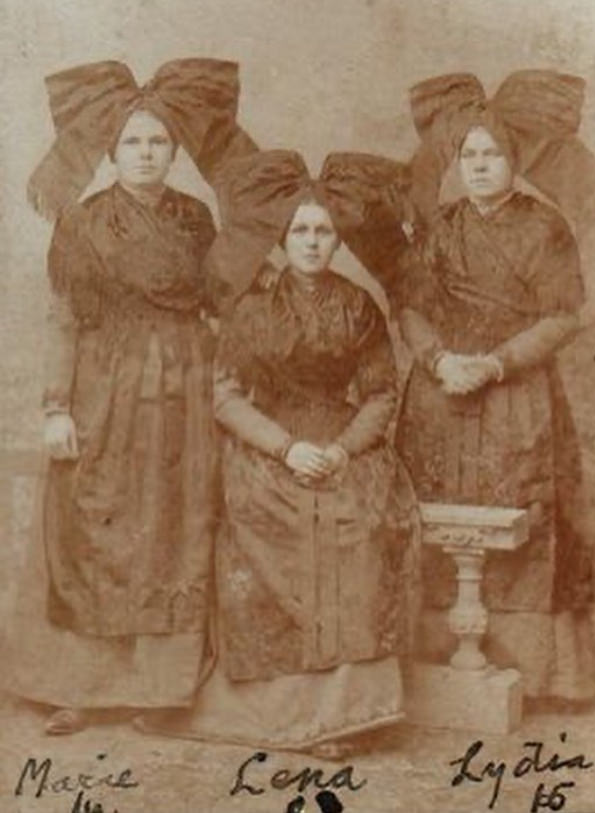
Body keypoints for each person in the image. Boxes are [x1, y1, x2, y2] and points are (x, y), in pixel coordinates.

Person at [3, 58, 255, 734]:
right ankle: (78, 688)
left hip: (183, 387)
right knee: (94, 526)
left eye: (159, 143)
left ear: (176, 151)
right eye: (133, 143)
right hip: (105, 386)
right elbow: (65, 318)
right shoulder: (83, 222)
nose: (147, 154)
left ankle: (160, 688)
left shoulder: (197, 218)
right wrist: (57, 407)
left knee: (173, 527)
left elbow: (219, 306)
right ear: (110, 152)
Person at [139, 150, 420, 757]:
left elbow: (379, 393)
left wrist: (343, 451)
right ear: (282, 237)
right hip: (267, 441)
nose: (312, 242)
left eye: (323, 231)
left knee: (363, 524)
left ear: (337, 240)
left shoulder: (357, 306)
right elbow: (225, 395)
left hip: (342, 442)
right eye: (300, 231)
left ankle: (345, 715)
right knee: (264, 520)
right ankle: (277, 712)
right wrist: (285, 447)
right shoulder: (251, 307)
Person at [393, 71, 595, 707]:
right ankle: (438, 665)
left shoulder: (546, 228)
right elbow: (411, 307)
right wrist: (437, 361)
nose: (482, 166)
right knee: (437, 514)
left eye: (494, 155)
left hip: (516, 393)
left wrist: (495, 363)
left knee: (530, 516)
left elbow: (565, 315)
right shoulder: (439, 228)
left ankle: (540, 675)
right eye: (471, 156)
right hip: (440, 394)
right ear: (456, 163)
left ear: (515, 161)